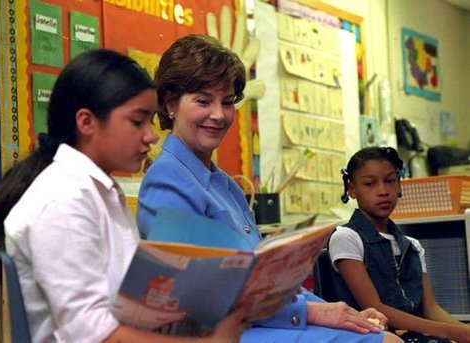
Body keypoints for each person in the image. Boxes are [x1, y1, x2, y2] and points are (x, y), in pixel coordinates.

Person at [136, 34, 403, 343]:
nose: (219, 115)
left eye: (227, 102)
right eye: (203, 101)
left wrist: (339, 310)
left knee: (380, 333)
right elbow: (196, 291)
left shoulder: (224, 184)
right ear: (170, 104)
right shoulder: (167, 179)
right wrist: (316, 313)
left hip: (256, 321)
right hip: (217, 332)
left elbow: (266, 283)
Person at [0, 48, 250, 343]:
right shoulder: (61, 201)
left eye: (151, 121)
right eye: (137, 122)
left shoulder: (101, 191)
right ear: (87, 122)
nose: (152, 136)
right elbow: (96, 334)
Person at [329, 146, 470, 343]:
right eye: (370, 184)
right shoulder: (346, 237)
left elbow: (431, 309)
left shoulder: (412, 246)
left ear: (399, 185)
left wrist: (462, 330)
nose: (383, 191)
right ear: (352, 190)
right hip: (375, 335)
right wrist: (450, 332)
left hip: (419, 334)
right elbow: (374, 308)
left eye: (390, 181)